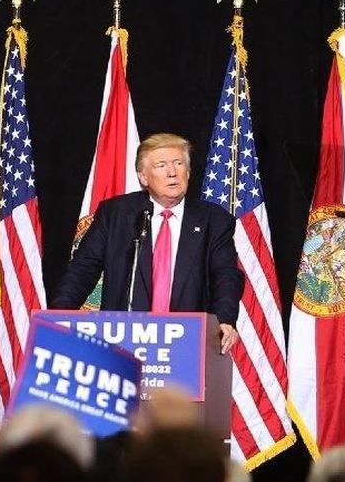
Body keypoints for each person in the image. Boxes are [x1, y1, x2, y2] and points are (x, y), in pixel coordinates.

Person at [51, 133, 244, 354]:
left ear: (188, 172)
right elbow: (83, 268)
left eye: (179, 163)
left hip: (186, 344)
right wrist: (59, 316)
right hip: (122, 341)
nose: (172, 172)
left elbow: (226, 274)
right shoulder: (116, 213)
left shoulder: (214, 219)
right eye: (161, 165)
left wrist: (224, 319)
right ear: (143, 177)